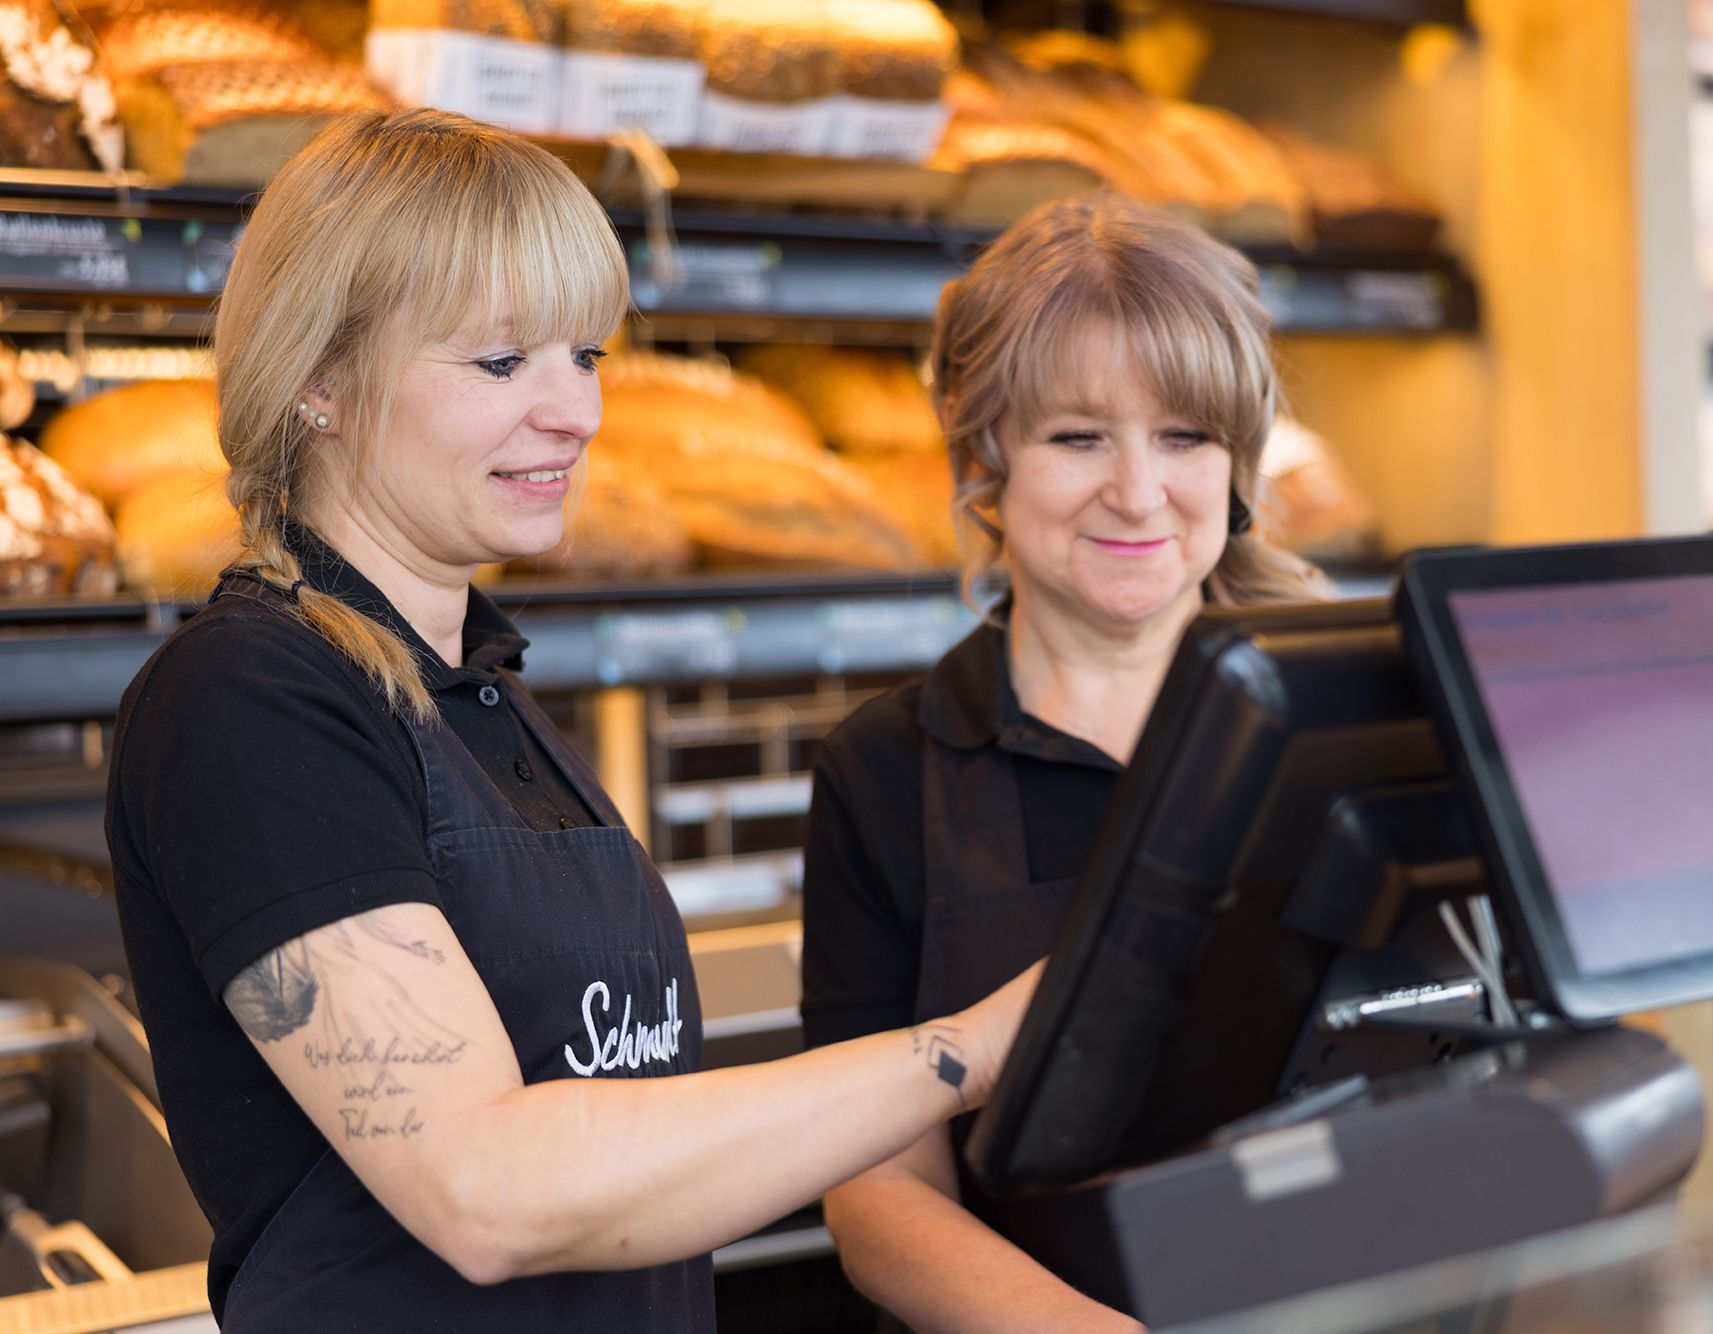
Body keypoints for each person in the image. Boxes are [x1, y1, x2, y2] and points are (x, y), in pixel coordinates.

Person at [104, 108, 1037, 1334]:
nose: (577, 413)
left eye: (584, 356)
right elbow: (485, 1187)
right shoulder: (251, 700)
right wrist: (959, 1052)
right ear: (317, 381)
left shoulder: (479, 690)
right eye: (502, 364)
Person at [800, 192, 1330, 1330]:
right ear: (983, 456)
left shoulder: (1356, 712)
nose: (1137, 491)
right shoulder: (886, 770)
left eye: (1184, 436)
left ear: (1239, 459)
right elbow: (877, 1187)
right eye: (1077, 436)